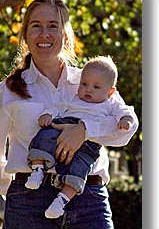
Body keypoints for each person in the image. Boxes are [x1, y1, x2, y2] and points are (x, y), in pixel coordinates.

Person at [0, 0, 138, 229]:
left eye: (53, 26)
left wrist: (85, 131)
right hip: (28, 206)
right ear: (25, 35)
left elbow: (127, 128)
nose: (45, 34)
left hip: (89, 202)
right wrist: (18, 191)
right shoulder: (7, 91)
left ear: (65, 34)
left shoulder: (93, 80)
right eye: (36, 26)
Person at [25, 55, 135, 219]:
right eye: (84, 84)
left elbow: (127, 113)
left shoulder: (112, 103)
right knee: (43, 137)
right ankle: (37, 171)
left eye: (96, 87)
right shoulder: (73, 97)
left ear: (110, 91)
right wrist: (47, 115)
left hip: (89, 143)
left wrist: (125, 120)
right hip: (62, 126)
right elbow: (58, 107)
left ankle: (61, 200)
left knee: (79, 169)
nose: (88, 89)